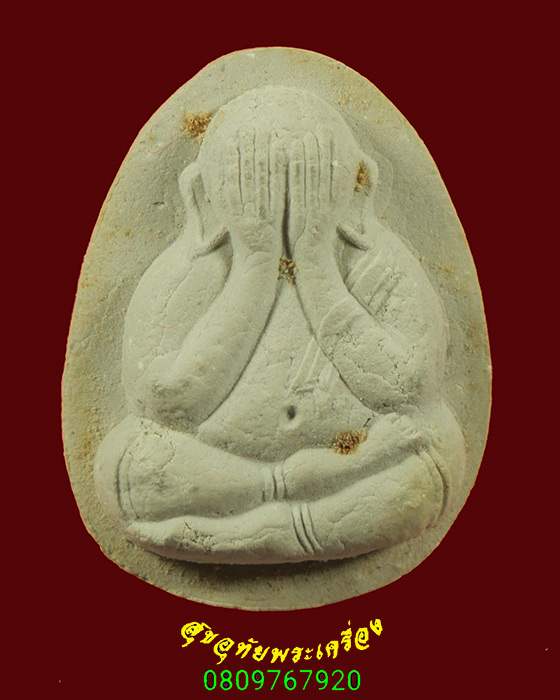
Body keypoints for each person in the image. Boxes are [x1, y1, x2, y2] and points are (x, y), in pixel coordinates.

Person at [94, 87, 465, 564]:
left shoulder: (377, 262)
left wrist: (316, 262)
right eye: (253, 183)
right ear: (202, 195)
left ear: (358, 187)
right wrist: (255, 262)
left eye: (309, 181)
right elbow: (164, 403)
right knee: (129, 461)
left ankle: (265, 532)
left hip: (364, 465)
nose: (283, 202)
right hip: (224, 472)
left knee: (433, 452)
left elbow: (409, 388)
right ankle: (281, 500)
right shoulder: (190, 269)